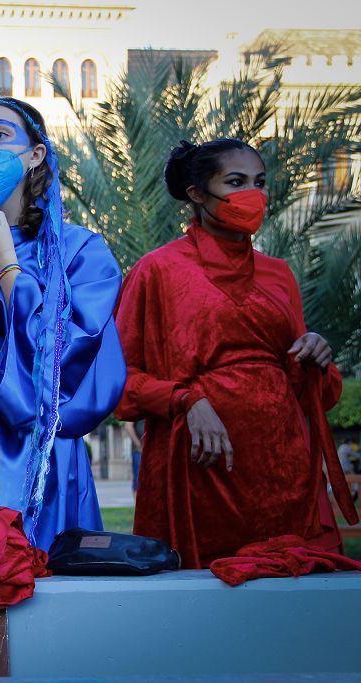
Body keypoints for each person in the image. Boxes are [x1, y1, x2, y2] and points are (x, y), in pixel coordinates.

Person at [114, 138, 357, 568]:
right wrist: (185, 400)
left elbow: (308, 391)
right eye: (236, 181)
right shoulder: (157, 270)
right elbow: (118, 380)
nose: (254, 194)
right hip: (198, 467)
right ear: (196, 193)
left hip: (284, 471)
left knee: (292, 609)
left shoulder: (279, 275)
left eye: (260, 182)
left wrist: (315, 357)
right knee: (200, 616)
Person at [0, 97, 126, 551]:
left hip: (45, 463)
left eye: (0, 136)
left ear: (35, 154)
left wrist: (7, 266)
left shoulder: (81, 253)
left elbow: (65, 360)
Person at [123, 420, 145, 497]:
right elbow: (128, 426)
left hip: (151, 450)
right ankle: (138, 507)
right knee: (138, 481)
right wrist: (138, 444)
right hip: (139, 451)